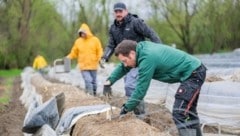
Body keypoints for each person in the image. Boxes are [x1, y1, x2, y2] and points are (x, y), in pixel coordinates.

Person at [103, 40, 206, 136]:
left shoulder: (147, 59)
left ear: (132, 54)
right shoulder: (140, 51)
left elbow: (140, 90)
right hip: (193, 71)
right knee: (188, 112)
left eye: (125, 61)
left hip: (193, 74)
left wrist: (126, 108)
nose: (125, 64)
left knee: (179, 112)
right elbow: (122, 67)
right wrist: (109, 82)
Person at [101, 2, 161, 116]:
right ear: (114, 13)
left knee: (131, 86)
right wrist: (105, 57)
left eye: (121, 11)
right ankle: (138, 113)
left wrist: (159, 49)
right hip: (127, 62)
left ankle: (140, 115)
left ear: (126, 11)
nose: (118, 13)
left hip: (140, 59)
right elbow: (111, 45)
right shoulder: (113, 28)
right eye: (116, 11)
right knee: (129, 88)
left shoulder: (135, 22)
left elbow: (151, 34)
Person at [67, 23, 103, 96]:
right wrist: (68, 57)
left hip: (93, 65)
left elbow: (99, 50)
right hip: (83, 66)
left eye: (83, 33)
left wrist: (100, 58)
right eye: (81, 33)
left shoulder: (95, 40)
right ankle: (90, 95)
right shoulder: (78, 41)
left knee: (94, 82)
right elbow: (74, 52)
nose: (82, 34)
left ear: (87, 32)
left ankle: (94, 94)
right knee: (88, 80)